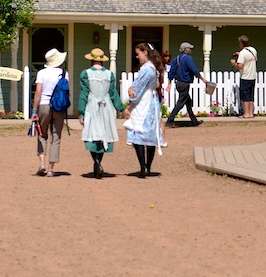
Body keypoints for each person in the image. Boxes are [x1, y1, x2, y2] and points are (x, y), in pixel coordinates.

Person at [77, 48, 125, 179]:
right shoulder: (109, 74)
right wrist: (120, 108)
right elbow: (113, 93)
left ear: (91, 60)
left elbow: (84, 94)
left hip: (92, 104)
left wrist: (81, 112)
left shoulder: (86, 74)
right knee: (104, 133)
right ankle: (98, 163)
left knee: (92, 134)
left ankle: (97, 163)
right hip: (106, 105)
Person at [124, 43, 165, 178]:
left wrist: (129, 106)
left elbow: (139, 89)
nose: (137, 56)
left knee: (139, 134)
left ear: (145, 52)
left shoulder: (147, 69)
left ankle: (143, 166)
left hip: (144, 103)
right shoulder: (153, 69)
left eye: (138, 53)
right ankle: (147, 166)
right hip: (152, 102)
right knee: (150, 135)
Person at [30, 48, 67, 177]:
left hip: (44, 106)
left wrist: (34, 110)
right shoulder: (63, 73)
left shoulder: (41, 73)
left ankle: (42, 163)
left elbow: (38, 93)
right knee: (56, 137)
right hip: (59, 107)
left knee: (42, 134)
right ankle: (51, 168)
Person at [165, 41, 208, 127]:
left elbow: (171, 72)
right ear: (185, 49)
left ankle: (194, 121)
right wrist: (203, 79)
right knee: (180, 103)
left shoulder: (176, 59)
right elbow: (194, 70)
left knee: (188, 101)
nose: (190, 50)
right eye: (189, 48)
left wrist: (169, 83)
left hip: (178, 83)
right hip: (184, 83)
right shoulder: (188, 58)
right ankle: (169, 121)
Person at [231, 35, 258, 118]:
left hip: (245, 76)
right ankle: (251, 113)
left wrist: (233, 63)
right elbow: (249, 59)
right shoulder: (253, 50)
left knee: (245, 95)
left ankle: (246, 114)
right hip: (253, 76)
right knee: (251, 95)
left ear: (241, 44)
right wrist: (240, 54)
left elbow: (240, 66)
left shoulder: (243, 53)